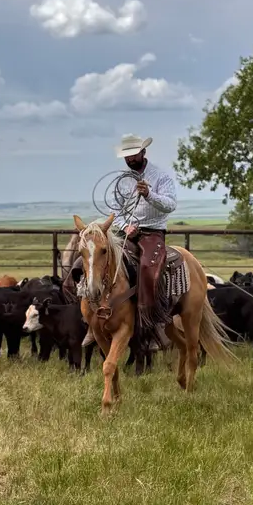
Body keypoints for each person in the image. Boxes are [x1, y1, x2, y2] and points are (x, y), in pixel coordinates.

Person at [81, 133, 177, 349]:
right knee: (94, 258)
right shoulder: (122, 180)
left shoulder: (161, 177)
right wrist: (125, 226)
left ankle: (151, 323)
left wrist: (150, 195)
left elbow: (171, 205)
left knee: (148, 268)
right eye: (127, 156)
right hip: (126, 230)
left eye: (134, 155)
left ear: (143, 152)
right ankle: (91, 319)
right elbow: (115, 209)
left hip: (153, 231)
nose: (130, 160)